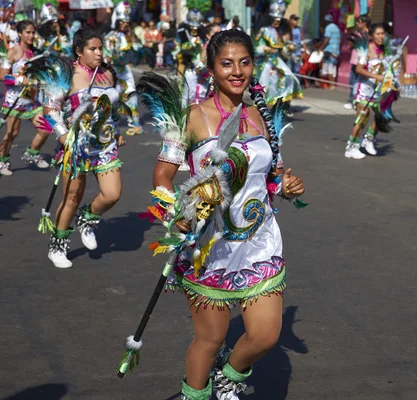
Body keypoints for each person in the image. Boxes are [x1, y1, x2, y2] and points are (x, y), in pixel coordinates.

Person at [146, 29, 304, 399]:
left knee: (265, 335)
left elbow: (272, 175)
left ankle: (229, 376)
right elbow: (162, 175)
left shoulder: (261, 115)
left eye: (244, 62)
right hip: (209, 247)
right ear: (211, 69)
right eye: (227, 63)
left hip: (260, 240)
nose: (237, 71)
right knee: (211, 338)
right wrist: (176, 213)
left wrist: (287, 185)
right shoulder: (192, 117)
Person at [28, 29, 125, 268]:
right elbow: (50, 111)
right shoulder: (67, 74)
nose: (98, 53)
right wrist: (63, 137)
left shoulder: (107, 74)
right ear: (79, 51)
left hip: (104, 145)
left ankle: (87, 217)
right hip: (76, 148)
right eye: (93, 49)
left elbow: (110, 110)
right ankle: (57, 245)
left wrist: (118, 132)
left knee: (112, 194)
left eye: (100, 48)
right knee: (71, 197)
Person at [0, 20, 52, 175]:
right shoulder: (13, 52)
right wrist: (21, 80)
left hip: (31, 100)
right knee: (12, 133)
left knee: (46, 128)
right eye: (28, 32)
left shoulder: (36, 52)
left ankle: (33, 153)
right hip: (14, 100)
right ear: (20, 34)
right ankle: (2, 161)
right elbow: (3, 76)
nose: (31, 35)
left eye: (33, 32)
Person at [345, 24, 399, 159]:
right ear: (371, 36)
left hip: (378, 90)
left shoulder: (384, 51)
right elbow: (359, 70)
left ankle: (368, 139)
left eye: (383, 34)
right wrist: (377, 77)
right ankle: (352, 146)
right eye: (378, 34)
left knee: (383, 115)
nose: (381, 36)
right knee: (362, 118)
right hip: (364, 89)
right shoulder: (366, 50)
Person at [254, 0, 303, 111]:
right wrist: (266, 49)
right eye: (276, 20)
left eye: (279, 21)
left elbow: (281, 48)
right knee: (265, 82)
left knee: (289, 77)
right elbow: (257, 48)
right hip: (266, 61)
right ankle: (261, 106)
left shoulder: (278, 33)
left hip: (277, 60)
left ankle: (281, 105)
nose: (277, 22)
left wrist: (289, 48)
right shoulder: (264, 30)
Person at [104, 0, 143, 135]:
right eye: (122, 22)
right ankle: (109, 121)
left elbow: (138, 51)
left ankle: (134, 122)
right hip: (112, 71)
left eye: (127, 22)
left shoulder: (130, 36)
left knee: (131, 94)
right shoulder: (110, 37)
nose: (125, 25)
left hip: (125, 71)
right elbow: (107, 55)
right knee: (112, 97)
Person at [344, 14, 370, 110]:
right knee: (352, 82)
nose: (358, 23)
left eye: (360, 21)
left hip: (362, 61)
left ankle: (357, 101)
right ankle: (352, 101)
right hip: (354, 60)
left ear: (365, 23)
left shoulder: (369, 34)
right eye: (357, 21)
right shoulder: (356, 33)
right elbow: (351, 43)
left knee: (360, 83)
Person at [318, 14, 341, 89]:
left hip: (329, 50)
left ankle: (331, 85)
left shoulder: (328, 28)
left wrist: (320, 48)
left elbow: (326, 40)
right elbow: (340, 40)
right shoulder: (337, 28)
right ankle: (332, 84)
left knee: (328, 67)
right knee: (333, 68)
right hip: (336, 50)